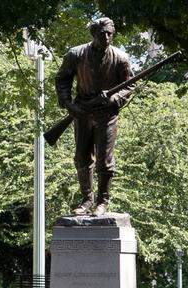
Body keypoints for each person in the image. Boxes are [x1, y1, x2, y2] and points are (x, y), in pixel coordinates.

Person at [54, 17, 134, 216]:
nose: (106, 37)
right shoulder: (76, 54)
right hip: (82, 111)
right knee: (81, 157)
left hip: (107, 114)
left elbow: (130, 85)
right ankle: (86, 199)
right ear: (93, 34)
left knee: (104, 161)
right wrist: (68, 104)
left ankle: (102, 201)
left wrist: (114, 99)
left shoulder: (121, 58)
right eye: (102, 33)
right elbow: (62, 79)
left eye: (109, 33)